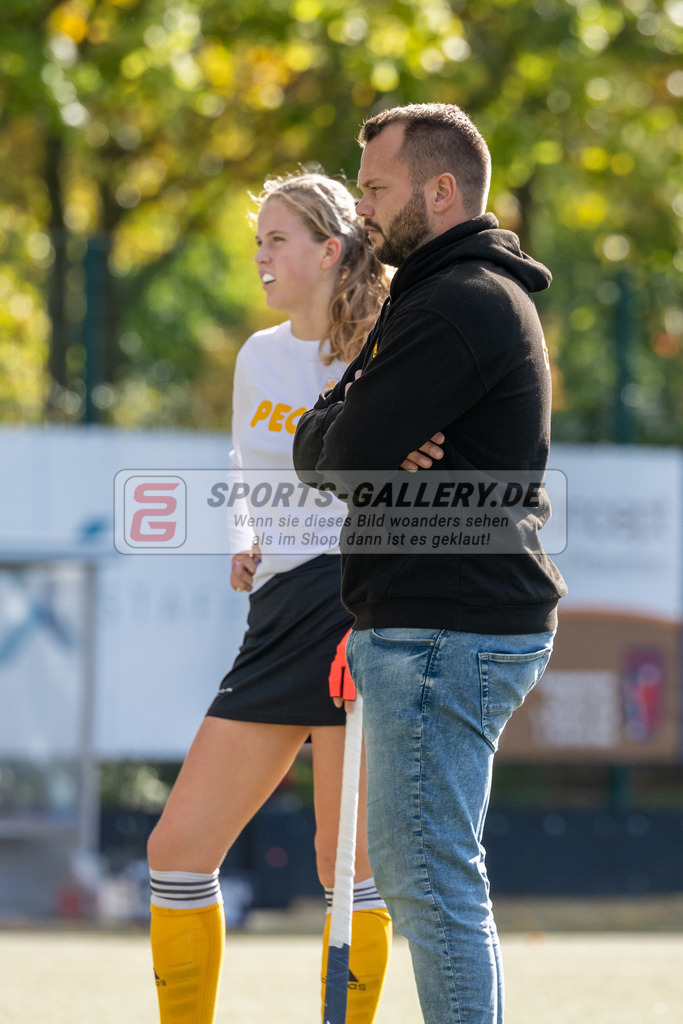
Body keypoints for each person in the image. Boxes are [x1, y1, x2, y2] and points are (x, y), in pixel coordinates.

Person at [293, 104, 568, 1024]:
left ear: (439, 190)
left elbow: (342, 453)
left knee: (431, 888)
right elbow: (321, 445)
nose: (361, 208)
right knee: (434, 884)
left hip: (443, 630)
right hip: (439, 628)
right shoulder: (434, 294)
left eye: (374, 187)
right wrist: (355, 431)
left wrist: (357, 434)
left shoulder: (458, 303)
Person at [146, 172, 393, 1024]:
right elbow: (242, 471)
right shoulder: (259, 353)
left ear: (330, 251)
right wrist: (241, 535)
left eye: (276, 240)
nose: (260, 256)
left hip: (355, 604)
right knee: (177, 851)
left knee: (344, 864)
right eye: (258, 241)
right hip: (277, 613)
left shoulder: (389, 346)